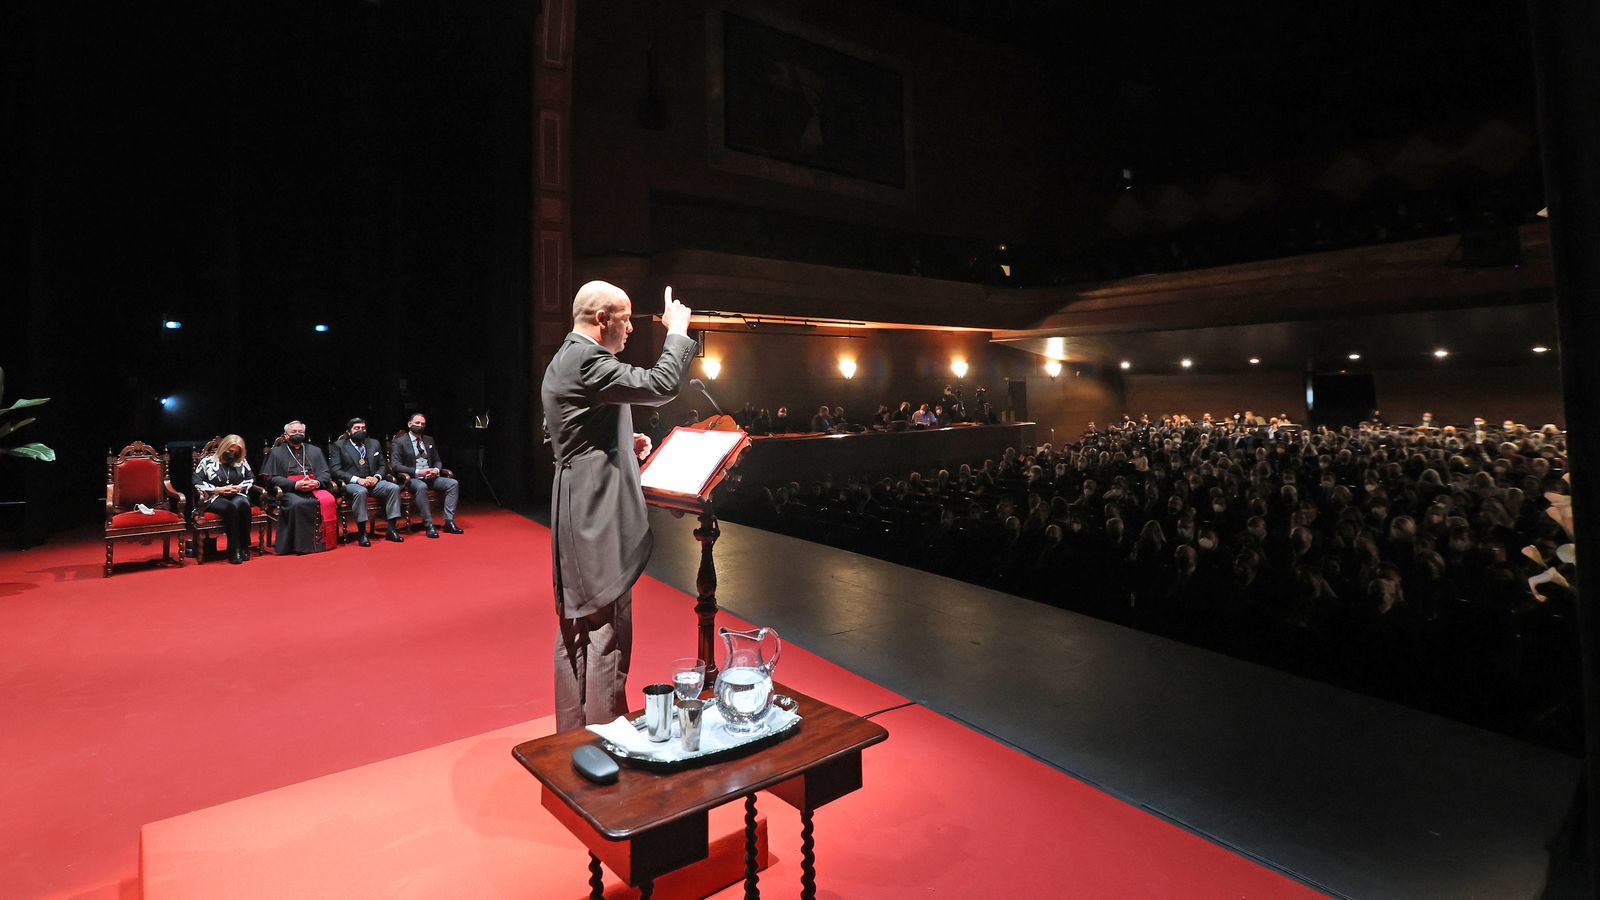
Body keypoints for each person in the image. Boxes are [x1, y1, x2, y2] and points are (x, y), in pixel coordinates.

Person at [542, 279, 695, 730]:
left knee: (577, 628)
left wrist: (624, 442)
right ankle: (607, 742)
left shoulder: (563, 357)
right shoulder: (589, 359)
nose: (630, 328)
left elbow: (562, 432)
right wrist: (677, 331)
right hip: (596, 511)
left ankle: (573, 741)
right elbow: (661, 384)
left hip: (575, 503)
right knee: (606, 628)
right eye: (625, 319)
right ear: (602, 318)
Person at [260, 420, 336, 554]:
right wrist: (295, 484)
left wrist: (317, 483)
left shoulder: (315, 451)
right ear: (286, 435)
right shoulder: (276, 452)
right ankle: (301, 546)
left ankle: (323, 544)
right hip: (288, 490)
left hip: (314, 488)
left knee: (329, 499)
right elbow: (271, 478)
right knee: (298, 504)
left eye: (300, 431)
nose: (297, 434)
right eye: (294, 431)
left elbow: (325, 473)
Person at [330, 417, 404, 546]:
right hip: (352, 484)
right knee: (361, 491)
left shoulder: (374, 443)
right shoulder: (339, 446)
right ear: (349, 431)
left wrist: (376, 477)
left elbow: (383, 465)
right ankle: (362, 533)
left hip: (373, 482)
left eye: (363, 428)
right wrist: (358, 480)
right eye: (357, 428)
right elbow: (335, 470)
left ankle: (391, 530)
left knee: (394, 488)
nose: (361, 430)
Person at [392, 412, 462, 537]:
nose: (420, 425)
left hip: (431, 477)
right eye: (417, 423)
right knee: (421, 486)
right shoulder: (399, 442)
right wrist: (418, 472)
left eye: (423, 424)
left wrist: (436, 470)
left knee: (453, 483)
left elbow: (437, 460)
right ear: (409, 424)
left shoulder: (429, 440)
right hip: (412, 478)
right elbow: (396, 465)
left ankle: (449, 521)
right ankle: (429, 524)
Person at [193, 433, 255, 564]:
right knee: (230, 507)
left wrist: (239, 487)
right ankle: (234, 549)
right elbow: (196, 481)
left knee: (243, 504)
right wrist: (218, 489)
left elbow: (251, 479)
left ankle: (244, 546)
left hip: (235, 494)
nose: (232, 454)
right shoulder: (207, 462)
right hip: (214, 496)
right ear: (223, 447)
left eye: (236, 452)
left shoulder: (241, 461)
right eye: (230, 451)